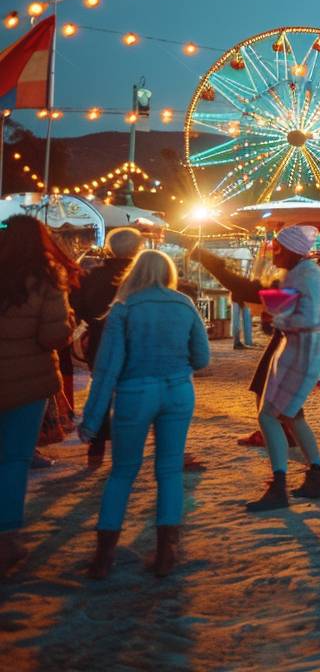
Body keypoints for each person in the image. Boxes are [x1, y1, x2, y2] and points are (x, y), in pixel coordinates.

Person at [79, 250, 208, 579]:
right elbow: (202, 357)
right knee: (169, 471)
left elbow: (107, 368)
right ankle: (166, 551)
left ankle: (104, 555)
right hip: (178, 390)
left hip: (135, 393)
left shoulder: (124, 308)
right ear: (168, 273)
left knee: (123, 472)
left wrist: (92, 420)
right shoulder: (184, 304)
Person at [244, 225, 320, 512]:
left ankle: (279, 485)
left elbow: (305, 317)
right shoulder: (309, 273)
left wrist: (276, 319)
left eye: (276, 248)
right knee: (292, 415)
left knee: (269, 416)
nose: (273, 253)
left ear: (289, 250)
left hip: (302, 350)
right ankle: (315, 476)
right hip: (304, 348)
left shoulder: (304, 275)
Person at [0, 215, 77, 576]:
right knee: (14, 459)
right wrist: (68, 325)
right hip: (27, 382)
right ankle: (7, 536)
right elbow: (52, 336)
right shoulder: (46, 279)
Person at [70, 227, 143, 466]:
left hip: (100, 340)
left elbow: (76, 306)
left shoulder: (92, 276)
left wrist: (89, 324)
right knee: (134, 392)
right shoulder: (144, 276)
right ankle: (128, 447)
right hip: (137, 340)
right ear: (137, 248)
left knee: (102, 390)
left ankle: (97, 446)